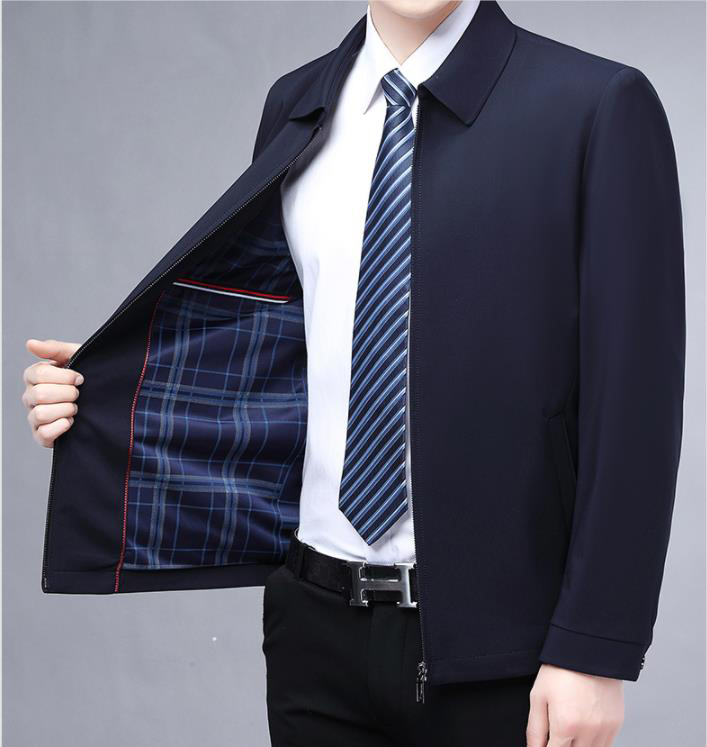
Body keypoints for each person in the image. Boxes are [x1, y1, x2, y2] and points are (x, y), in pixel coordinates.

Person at [23, 1, 685, 745]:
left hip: (506, 646)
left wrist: (592, 649)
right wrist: (107, 390)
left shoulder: (595, 105)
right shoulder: (296, 102)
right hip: (314, 629)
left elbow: (637, 401)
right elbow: (282, 346)